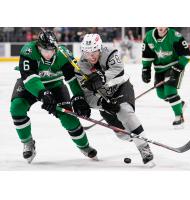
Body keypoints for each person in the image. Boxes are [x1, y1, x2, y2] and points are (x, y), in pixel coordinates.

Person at [10, 30, 97, 163]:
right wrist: (43, 93)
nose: (48, 53)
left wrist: (79, 97)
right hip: (30, 85)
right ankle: (28, 142)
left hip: (55, 85)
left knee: (69, 118)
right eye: (44, 50)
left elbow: (73, 79)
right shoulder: (28, 51)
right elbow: (29, 78)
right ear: (38, 47)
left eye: (52, 50)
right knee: (17, 107)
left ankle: (84, 146)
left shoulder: (64, 54)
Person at [74, 33, 153, 165]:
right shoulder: (81, 67)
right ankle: (134, 136)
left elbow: (118, 68)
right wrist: (102, 104)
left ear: (100, 48)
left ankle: (144, 147)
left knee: (125, 112)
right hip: (104, 98)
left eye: (94, 51)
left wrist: (102, 77)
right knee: (121, 133)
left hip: (121, 87)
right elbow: (87, 96)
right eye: (87, 52)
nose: (91, 56)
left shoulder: (109, 53)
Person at [142, 27, 190, 128]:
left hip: (174, 67)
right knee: (161, 94)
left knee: (170, 91)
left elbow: (186, 55)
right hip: (159, 69)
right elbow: (147, 55)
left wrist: (178, 68)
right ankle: (179, 104)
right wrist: (146, 68)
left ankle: (179, 117)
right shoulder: (148, 36)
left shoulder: (175, 36)